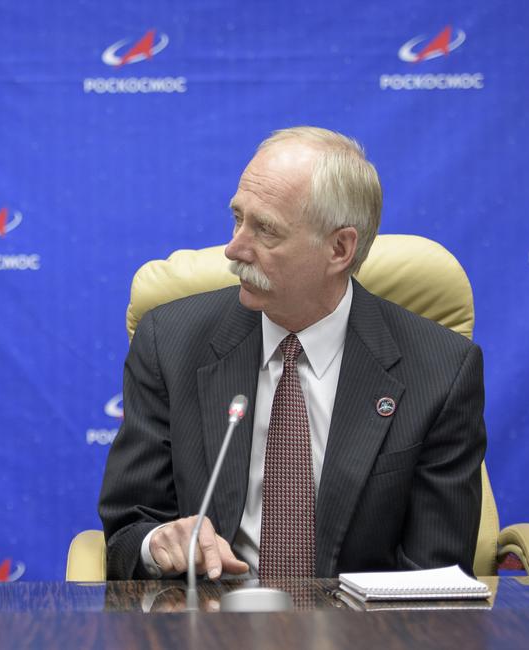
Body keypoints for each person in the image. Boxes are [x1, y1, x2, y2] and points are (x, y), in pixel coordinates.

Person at [98, 126, 486, 580]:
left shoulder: (441, 371)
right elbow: (127, 532)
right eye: (237, 218)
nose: (233, 249)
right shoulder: (171, 343)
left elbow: (433, 575)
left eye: (265, 230)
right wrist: (157, 544)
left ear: (340, 248)